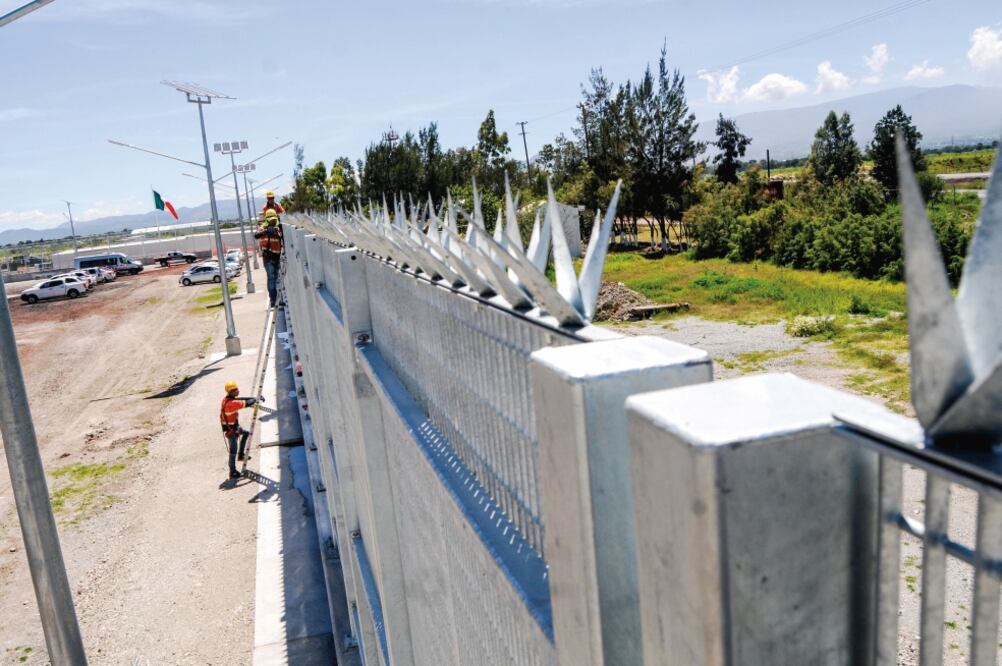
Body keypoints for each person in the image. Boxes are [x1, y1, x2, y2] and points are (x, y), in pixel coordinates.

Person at [220, 380, 258, 479]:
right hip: (231, 431)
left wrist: (253, 398)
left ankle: (241, 455)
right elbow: (247, 403)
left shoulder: (227, 399)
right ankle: (232, 471)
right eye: (235, 390)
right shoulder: (231, 404)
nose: (237, 391)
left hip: (234, 427)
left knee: (246, 433)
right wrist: (255, 399)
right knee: (233, 452)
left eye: (237, 389)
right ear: (230, 392)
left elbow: (241, 399)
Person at [254, 209, 283, 308]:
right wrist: (266, 231)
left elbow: (281, 236)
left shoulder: (277, 228)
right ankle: (273, 300)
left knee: (277, 278)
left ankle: (277, 299)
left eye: (274, 220)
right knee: (272, 279)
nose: (273, 221)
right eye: (271, 220)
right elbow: (256, 235)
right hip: (268, 258)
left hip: (277, 257)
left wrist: (277, 230)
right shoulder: (263, 228)